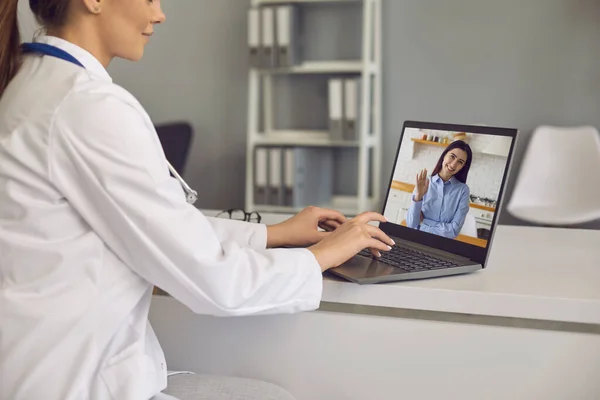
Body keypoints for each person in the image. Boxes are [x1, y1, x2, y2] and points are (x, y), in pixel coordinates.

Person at [0, 1, 395, 399]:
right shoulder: (88, 107)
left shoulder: (30, 83)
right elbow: (214, 281)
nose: (159, 14)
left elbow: (157, 223)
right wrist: (324, 255)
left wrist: (272, 234)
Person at [405, 140, 472, 239]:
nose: (453, 165)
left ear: (463, 166)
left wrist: (424, 222)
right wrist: (418, 196)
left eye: (460, 162)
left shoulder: (463, 190)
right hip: (417, 240)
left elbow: (453, 231)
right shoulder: (424, 182)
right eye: (452, 156)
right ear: (444, 155)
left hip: (442, 246)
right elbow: (411, 224)